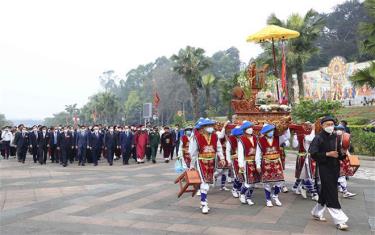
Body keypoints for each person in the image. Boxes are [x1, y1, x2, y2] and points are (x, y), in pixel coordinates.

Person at [309, 116, 349, 230]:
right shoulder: (318, 138)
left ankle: (316, 212)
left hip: (335, 167)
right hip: (324, 168)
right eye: (327, 124)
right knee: (332, 192)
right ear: (322, 126)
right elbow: (313, 153)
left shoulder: (336, 137)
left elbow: (340, 154)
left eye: (332, 124)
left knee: (326, 191)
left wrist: (343, 152)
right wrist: (327, 154)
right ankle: (340, 220)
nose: (330, 126)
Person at [189, 118, 225, 214]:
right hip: (201, 162)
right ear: (203, 128)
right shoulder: (197, 138)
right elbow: (193, 153)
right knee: (204, 182)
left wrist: (222, 158)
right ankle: (204, 203)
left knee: (208, 182)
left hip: (212, 162)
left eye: (211, 125)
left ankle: (203, 200)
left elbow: (219, 148)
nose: (210, 128)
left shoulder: (215, 137)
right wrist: (192, 165)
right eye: (208, 126)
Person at [256, 124, 290, 207]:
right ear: (266, 132)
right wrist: (258, 165)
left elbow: (287, 137)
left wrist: (286, 127)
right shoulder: (260, 140)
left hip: (276, 162)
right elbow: (258, 154)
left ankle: (275, 196)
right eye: (269, 131)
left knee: (279, 181)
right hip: (266, 162)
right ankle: (268, 199)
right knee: (267, 182)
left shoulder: (278, 138)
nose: (271, 132)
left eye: (272, 130)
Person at [291, 123, 319, 201]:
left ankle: (299, 187)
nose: (308, 129)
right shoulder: (307, 136)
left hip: (304, 157)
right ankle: (313, 193)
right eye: (307, 127)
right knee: (308, 175)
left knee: (305, 175)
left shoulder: (300, 135)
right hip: (306, 158)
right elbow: (310, 139)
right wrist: (313, 129)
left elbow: (294, 146)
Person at [238, 121, 260, 206]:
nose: (251, 129)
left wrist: (258, 163)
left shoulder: (256, 138)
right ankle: (242, 194)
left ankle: (249, 197)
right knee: (248, 182)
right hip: (246, 162)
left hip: (255, 162)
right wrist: (240, 165)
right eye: (248, 128)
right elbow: (240, 153)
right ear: (245, 130)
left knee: (254, 182)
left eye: (251, 127)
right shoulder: (241, 140)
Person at [335, 124, 356, 198]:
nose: (341, 131)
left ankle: (342, 189)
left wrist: (349, 156)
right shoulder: (334, 138)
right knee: (341, 176)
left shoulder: (342, 138)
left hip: (340, 159)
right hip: (336, 159)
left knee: (340, 175)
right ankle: (345, 191)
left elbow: (345, 149)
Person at [226, 126, 243, 198]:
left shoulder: (242, 138)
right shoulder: (230, 139)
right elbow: (227, 150)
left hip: (242, 159)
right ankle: (234, 189)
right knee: (237, 175)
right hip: (234, 159)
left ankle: (239, 189)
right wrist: (228, 160)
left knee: (242, 175)